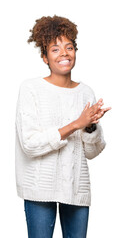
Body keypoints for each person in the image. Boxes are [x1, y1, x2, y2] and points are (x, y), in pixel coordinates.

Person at [15, 15, 111, 238]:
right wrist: (77, 123)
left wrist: (90, 128)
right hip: (40, 189)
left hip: (76, 188)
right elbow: (29, 144)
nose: (64, 54)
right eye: (55, 49)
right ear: (45, 57)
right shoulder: (30, 89)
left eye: (69, 47)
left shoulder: (86, 92)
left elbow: (91, 152)